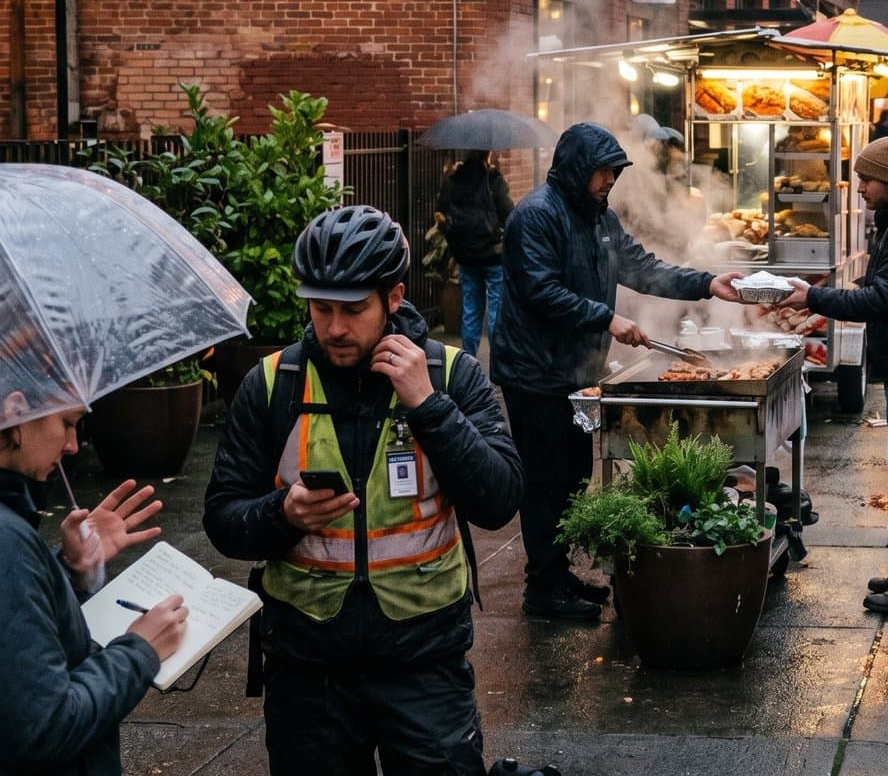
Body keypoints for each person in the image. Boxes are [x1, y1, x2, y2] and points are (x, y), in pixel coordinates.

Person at [203, 205, 524, 776]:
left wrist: (428, 406)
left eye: (353, 310)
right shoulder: (274, 384)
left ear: (394, 297)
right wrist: (283, 512)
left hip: (424, 667)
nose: (333, 328)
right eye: (320, 308)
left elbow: (499, 501)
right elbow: (223, 519)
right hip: (308, 673)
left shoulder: (450, 375)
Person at [491, 121, 755, 621]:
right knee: (546, 481)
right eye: (603, 173)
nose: (610, 181)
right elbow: (540, 292)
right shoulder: (535, 217)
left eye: (614, 172)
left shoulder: (597, 217)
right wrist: (608, 319)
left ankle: (559, 573)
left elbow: (641, 267)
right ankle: (542, 590)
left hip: (574, 372)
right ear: (576, 170)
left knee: (573, 474)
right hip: (534, 372)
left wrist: (706, 283)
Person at [779, 136, 888, 615]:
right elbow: (885, 286)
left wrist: (812, 298)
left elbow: (884, 300)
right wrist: (836, 289)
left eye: (865, 179)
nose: (858, 188)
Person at [1, 401, 187, 776]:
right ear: (16, 412)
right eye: (67, 423)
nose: (72, 444)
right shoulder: (6, 539)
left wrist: (67, 570)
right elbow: (46, 728)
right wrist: (139, 649)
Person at [436, 150, 516, 355]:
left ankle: (469, 359)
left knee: (471, 310)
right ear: (487, 154)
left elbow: (441, 213)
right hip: (493, 255)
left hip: (465, 255)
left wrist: (453, 239)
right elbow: (509, 214)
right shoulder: (494, 180)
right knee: (496, 311)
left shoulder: (453, 179)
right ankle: (498, 362)